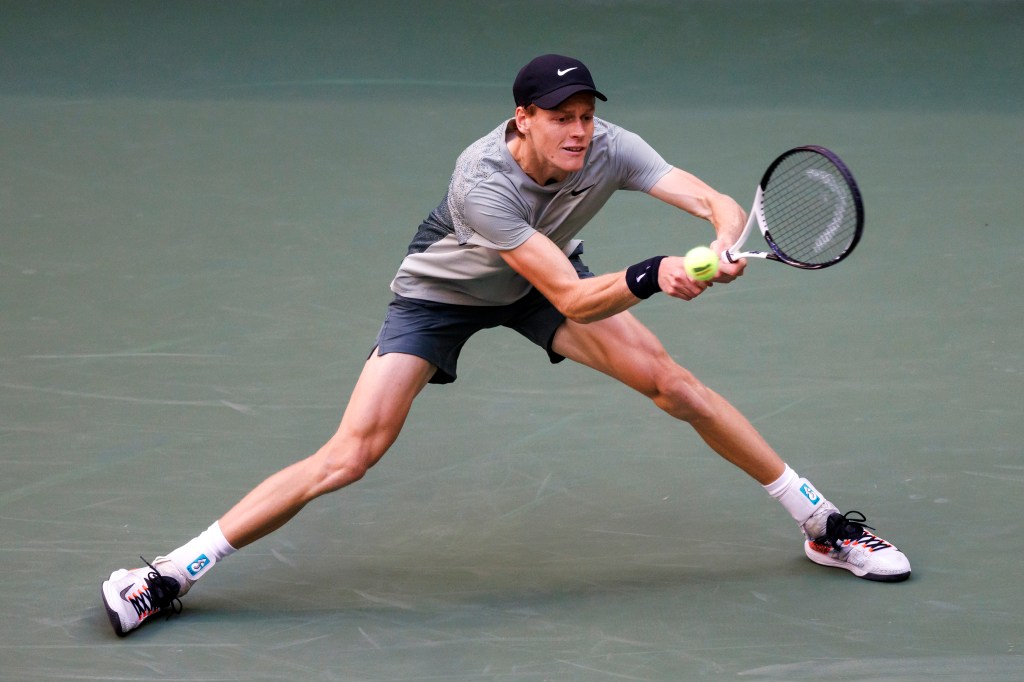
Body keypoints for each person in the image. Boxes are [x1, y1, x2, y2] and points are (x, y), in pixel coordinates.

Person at [101, 54, 910, 637]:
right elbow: (573, 296)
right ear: (522, 118)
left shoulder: (608, 146)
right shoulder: (480, 181)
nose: (580, 132)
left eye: (587, 116)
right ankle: (170, 575)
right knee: (349, 455)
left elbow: (709, 196)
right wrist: (658, 271)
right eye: (561, 118)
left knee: (676, 387)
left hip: (538, 281)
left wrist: (726, 244)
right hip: (442, 297)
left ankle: (821, 523)